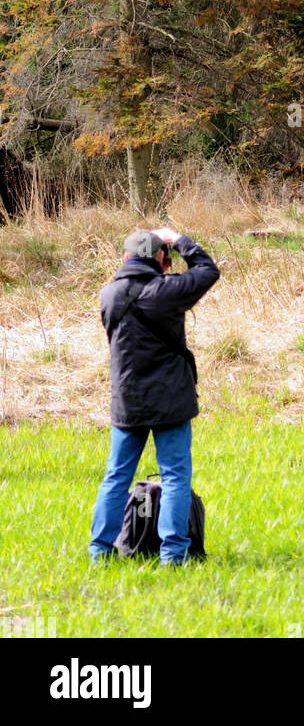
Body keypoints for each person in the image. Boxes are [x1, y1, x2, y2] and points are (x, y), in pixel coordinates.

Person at [88, 227, 220, 565]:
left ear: (125, 258)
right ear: (162, 259)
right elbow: (207, 270)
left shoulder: (108, 295)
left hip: (128, 400)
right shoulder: (168, 291)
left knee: (117, 476)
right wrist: (181, 241)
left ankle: (100, 553)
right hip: (170, 401)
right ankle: (173, 556)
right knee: (175, 476)